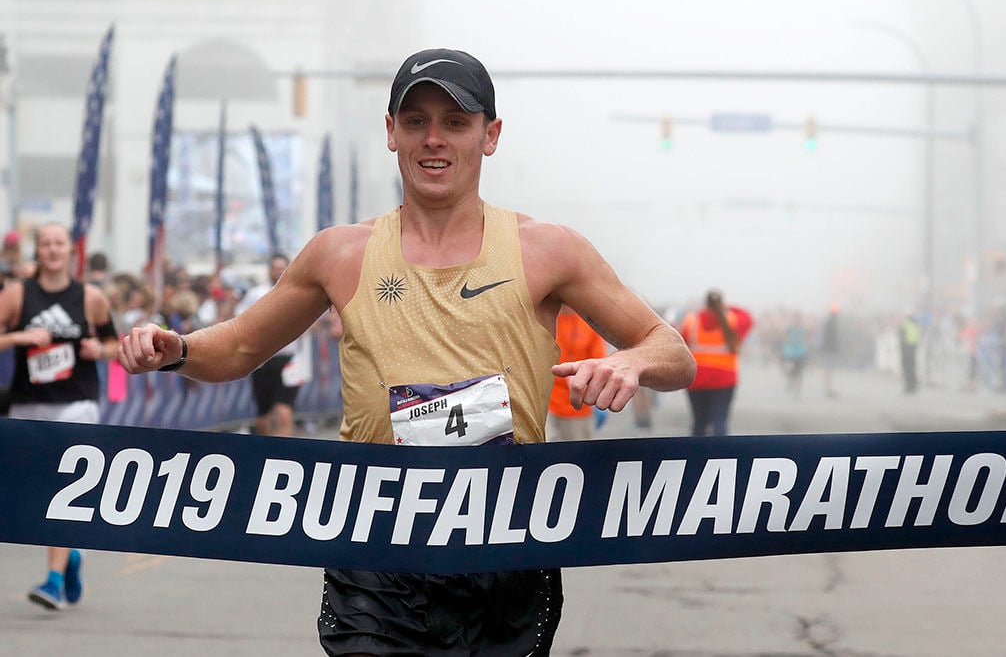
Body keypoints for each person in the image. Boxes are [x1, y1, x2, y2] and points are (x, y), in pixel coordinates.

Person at [119, 47, 695, 656]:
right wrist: (177, 347)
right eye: (415, 120)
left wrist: (630, 361)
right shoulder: (340, 253)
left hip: (502, 538)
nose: (433, 139)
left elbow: (673, 352)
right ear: (391, 132)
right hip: (377, 541)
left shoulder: (547, 249)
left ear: (490, 135)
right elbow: (237, 347)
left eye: (455, 121)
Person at [0, 223, 120, 610]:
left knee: (62, 490)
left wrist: (97, 351)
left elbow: (114, 343)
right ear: (38, 251)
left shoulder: (90, 297)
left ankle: (52, 580)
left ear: (72, 252)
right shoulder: (18, 295)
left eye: (59, 244)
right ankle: (71, 556)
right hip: (29, 403)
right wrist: (18, 338)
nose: (52, 250)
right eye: (46, 244)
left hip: (77, 402)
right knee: (33, 494)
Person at [235, 253, 304, 437]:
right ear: (269, 270)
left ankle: (285, 454)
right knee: (263, 416)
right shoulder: (257, 293)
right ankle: (264, 452)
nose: (279, 272)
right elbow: (240, 319)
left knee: (284, 410)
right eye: (275, 268)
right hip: (263, 360)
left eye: (283, 268)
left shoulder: (300, 293)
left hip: (290, 359)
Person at [681, 289, 753, 436]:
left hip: (697, 378)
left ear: (705, 303)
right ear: (721, 303)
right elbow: (748, 318)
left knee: (699, 422)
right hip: (724, 379)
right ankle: (721, 455)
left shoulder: (691, 320)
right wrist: (728, 307)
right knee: (720, 421)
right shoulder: (732, 320)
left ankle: (696, 455)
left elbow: (682, 343)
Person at [547, 305, 607, 441]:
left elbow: (599, 363)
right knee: (540, 454)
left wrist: (599, 397)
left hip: (578, 405)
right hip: (546, 404)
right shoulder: (543, 318)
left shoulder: (589, 324)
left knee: (577, 456)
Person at [899, 311, 921, 394]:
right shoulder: (916, 324)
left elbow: (901, 336)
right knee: (912, 366)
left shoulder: (905, 323)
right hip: (913, 347)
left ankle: (909, 385)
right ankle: (913, 384)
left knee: (907, 367)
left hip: (906, 348)